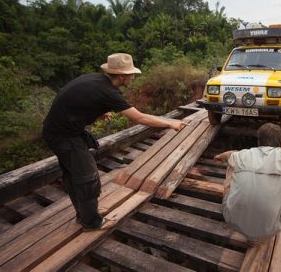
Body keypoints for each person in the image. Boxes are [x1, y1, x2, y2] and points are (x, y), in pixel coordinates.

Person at [42, 53, 187, 231]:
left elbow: (79, 100)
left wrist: (100, 112)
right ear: (121, 76)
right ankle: (91, 222)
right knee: (88, 178)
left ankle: (83, 215)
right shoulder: (108, 91)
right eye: (131, 74)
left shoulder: (96, 80)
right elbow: (140, 118)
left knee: (74, 175)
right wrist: (170, 123)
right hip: (63, 136)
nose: (133, 77)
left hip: (57, 130)